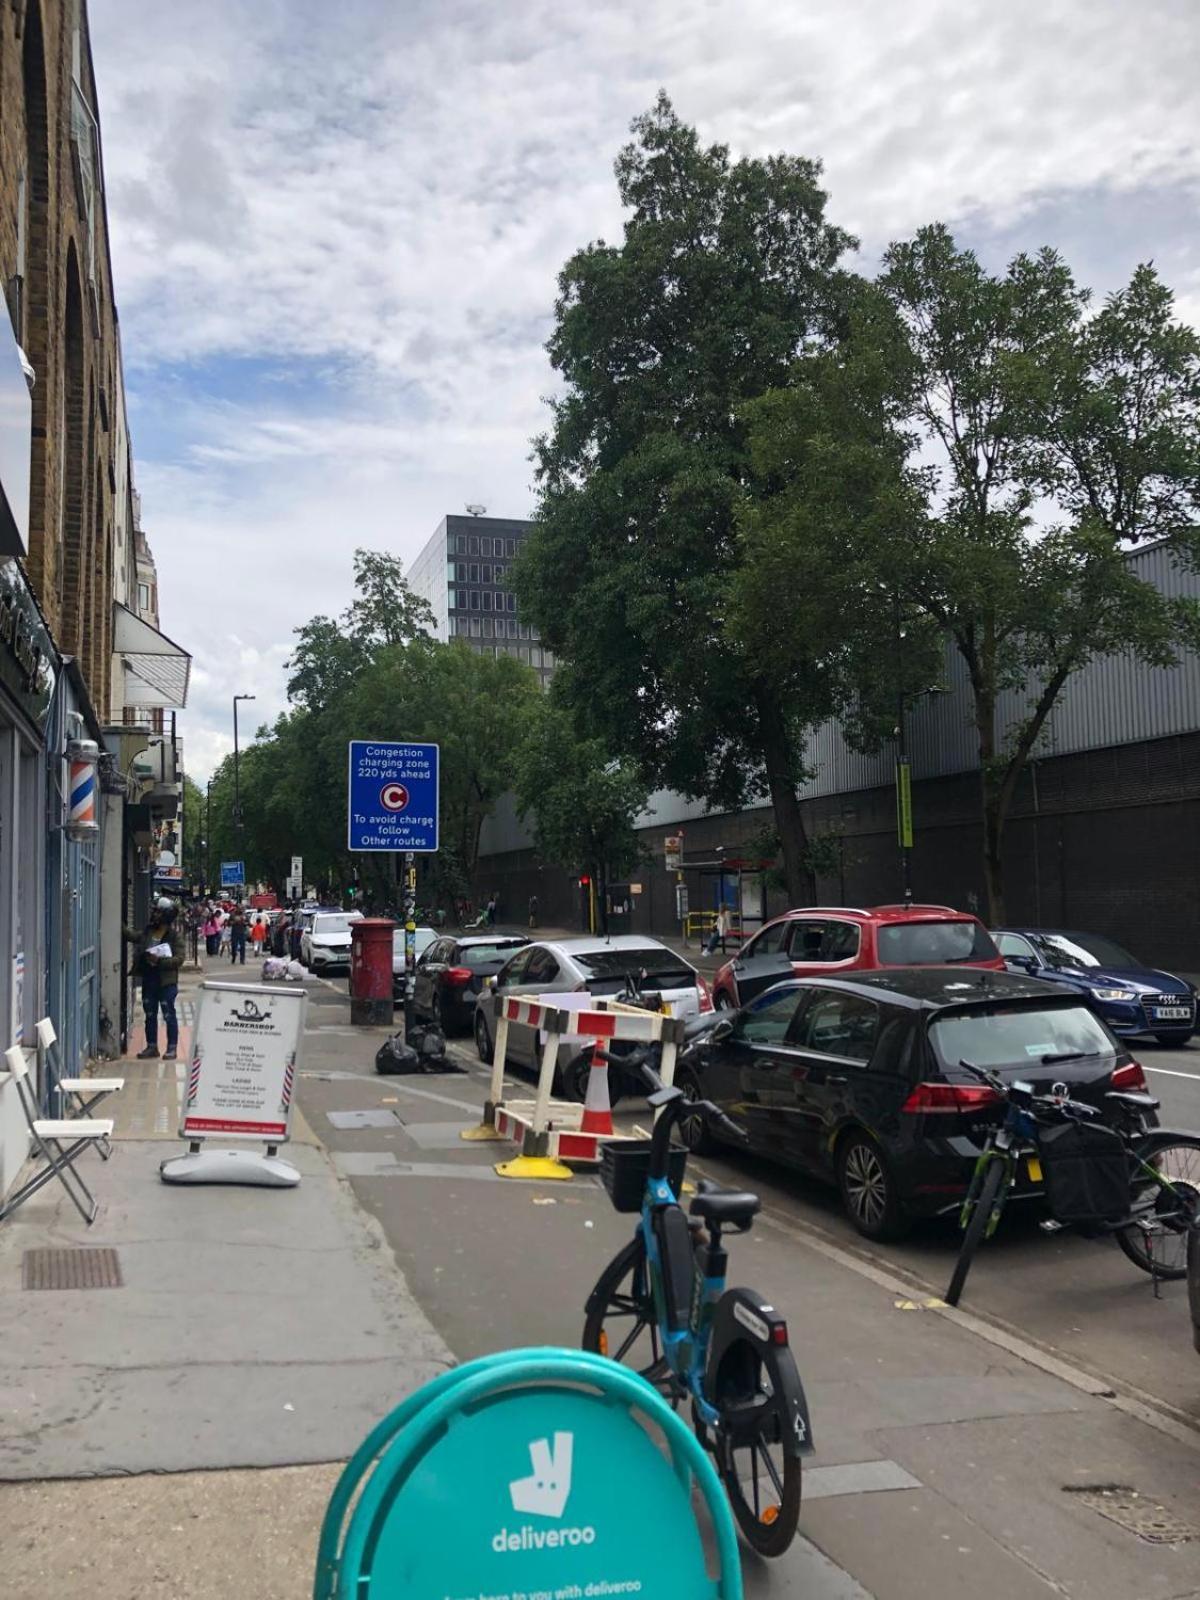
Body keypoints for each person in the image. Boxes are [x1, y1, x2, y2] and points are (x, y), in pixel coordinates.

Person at [128, 897, 185, 1060]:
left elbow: (179, 959)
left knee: (169, 1014)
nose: (154, 914)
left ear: (166, 915)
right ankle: (152, 1046)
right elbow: (134, 936)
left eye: (158, 912)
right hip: (149, 979)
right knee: (150, 1014)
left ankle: (172, 1048)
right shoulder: (148, 931)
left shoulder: (174, 937)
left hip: (166, 982)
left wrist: (159, 961)